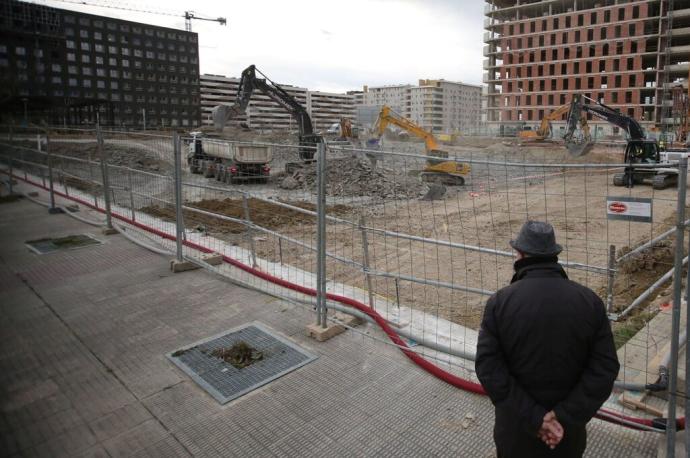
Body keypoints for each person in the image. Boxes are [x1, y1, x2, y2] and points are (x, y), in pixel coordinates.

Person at [475, 221, 620, 458]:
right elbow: (605, 369)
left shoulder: (500, 303)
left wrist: (535, 418)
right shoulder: (589, 301)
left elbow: (489, 369)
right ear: (554, 256)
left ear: (520, 255)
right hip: (566, 435)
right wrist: (562, 417)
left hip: (517, 433)